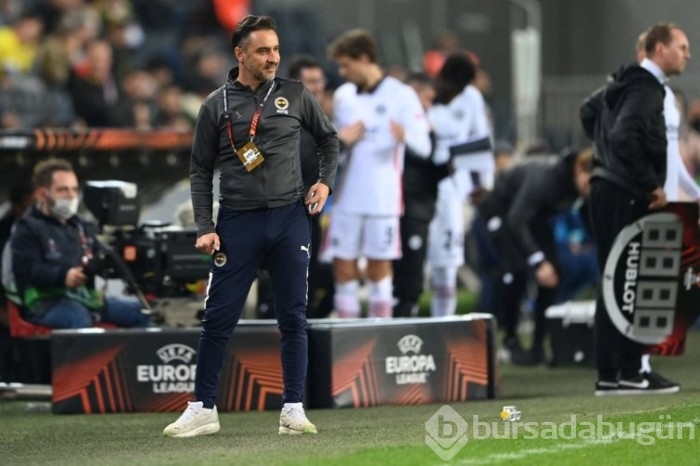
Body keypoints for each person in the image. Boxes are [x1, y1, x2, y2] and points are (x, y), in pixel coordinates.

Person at [163, 15, 339, 437]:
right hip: (237, 222)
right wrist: (205, 226)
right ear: (240, 54)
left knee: (293, 316)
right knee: (218, 318)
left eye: (275, 49)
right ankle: (203, 408)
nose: (272, 58)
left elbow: (329, 140)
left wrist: (324, 182)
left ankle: (293, 409)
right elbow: (199, 170)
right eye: (263, 51)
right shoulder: (215, 105)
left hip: (289, 218)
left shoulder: (295, 94)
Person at [580, 22, 689, 395]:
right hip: (624, 190)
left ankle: (612, 373)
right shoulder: (645, 88)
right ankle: (627, 370)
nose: (688, 55)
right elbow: (625, 136)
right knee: (628, 280)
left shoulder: (622, 84)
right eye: (681, 47)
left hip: (609, 186)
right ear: (659, 49)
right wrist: (648, 183)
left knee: (615, 279)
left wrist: (603, 151)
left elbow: (587, 111)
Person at [326, 28, 432, 319]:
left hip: (382, 199)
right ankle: (348, 334)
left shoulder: (402, 95)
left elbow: (424, 146)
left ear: (364, 58)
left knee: (378, 268)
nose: (342, 72)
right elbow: (334, 147)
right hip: (346, 198)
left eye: (346, 65)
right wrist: (342, 141)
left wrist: (405, 136)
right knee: (343, 266)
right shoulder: (344, 96)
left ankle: (379, 332)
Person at [477, 148, 593, 365]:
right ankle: (510, 339)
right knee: (517, 271)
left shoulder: (578, 189)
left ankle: (539, 345)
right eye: (589, 181)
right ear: (578, 170)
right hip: (502, 213)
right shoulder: (544, 180)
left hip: (534, 220)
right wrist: (537, 260)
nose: (591, 188)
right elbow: (516, 220)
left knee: (554, 273)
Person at [6, 158, 151, 330]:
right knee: (78, 316)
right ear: (42, 194)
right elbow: (27, 270)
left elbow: (101, 256)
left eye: (74, 189)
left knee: (143, 313)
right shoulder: (27, 228)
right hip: (44, 302)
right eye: (62, 190)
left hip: (83, 297)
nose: (71, 195)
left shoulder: (81, 226)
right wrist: (63, 276)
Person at [426, 51, 494, 317]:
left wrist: (484, 182)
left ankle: (443, 321)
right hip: (421, 184)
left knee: (448, 261)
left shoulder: (472, 98)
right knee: (418, 260)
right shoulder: (427, 98)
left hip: (453, 186)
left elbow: (481, 139)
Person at [392, 72, 450, 317]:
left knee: (413, 271)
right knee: (397, 270)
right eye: (426, 97)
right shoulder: (396, 126)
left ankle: (407, 315)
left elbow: (431, 169)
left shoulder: (427, 131)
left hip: (417, 209)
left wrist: (449, 165)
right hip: (397, 207)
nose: (429, 104)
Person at [288, 54, 335, 318]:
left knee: (316, 278)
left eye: (320, 81)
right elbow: (304, 158)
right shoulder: (286, 117)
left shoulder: (319, 118)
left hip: (310, 213)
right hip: (286, 213)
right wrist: (340, 142)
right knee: (292, 279)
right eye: (311, 81)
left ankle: (308, 329)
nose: (318, 87)